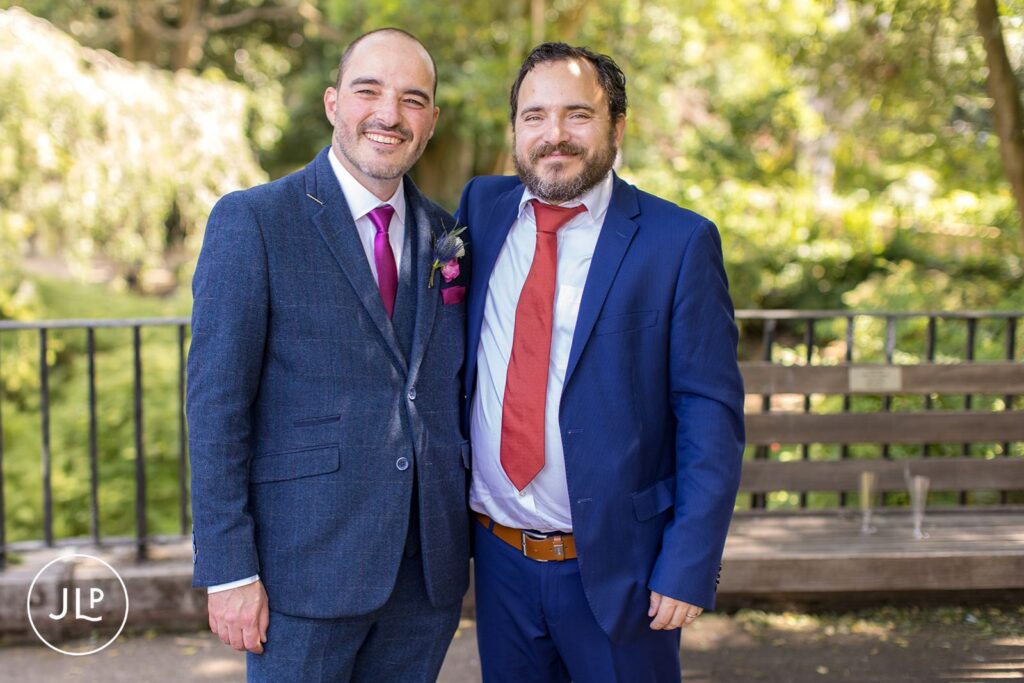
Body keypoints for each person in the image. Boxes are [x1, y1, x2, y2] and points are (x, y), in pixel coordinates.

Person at [187, 28, 470, 683]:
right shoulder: (254, 221)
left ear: (431, 121)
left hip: (425, 575)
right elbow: (216, 406)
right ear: (333, 102)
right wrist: (229, 569)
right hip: (301, 572)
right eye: (369, 91)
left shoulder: (446, 233)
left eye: (412, 99)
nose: (389, 114)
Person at [456, 42, 745, 682]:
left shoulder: (678, 242)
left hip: (622, 569)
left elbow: (709, 415)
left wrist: (689, 562)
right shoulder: (481, 209)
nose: (554, 134)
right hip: (499, 564)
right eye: (534, 116)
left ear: (616, 128)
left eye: (577, 114)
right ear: (514, 130)